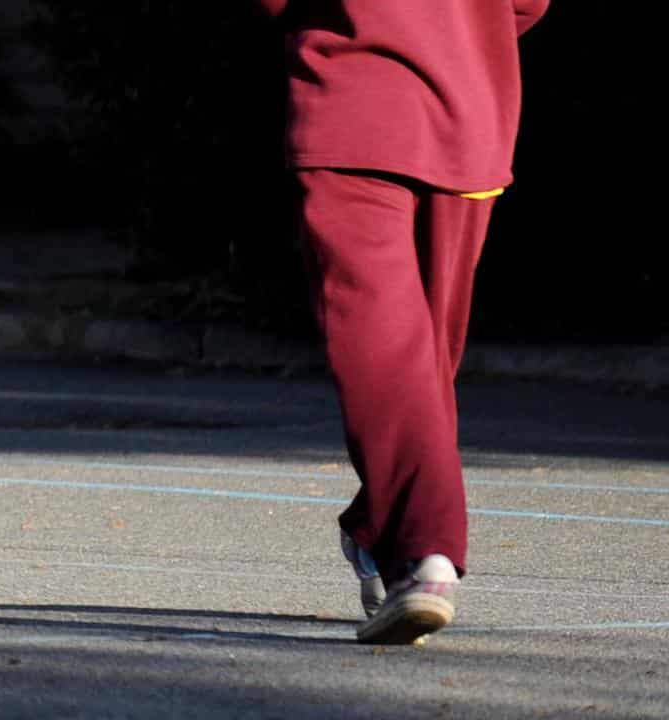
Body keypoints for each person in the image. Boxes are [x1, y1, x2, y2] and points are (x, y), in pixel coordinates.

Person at [261, 0, 551, 644]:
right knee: (409, 350)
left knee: (402, 351)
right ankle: (410, 547)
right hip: (461, 99)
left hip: (378, 98)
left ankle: (405, 542)